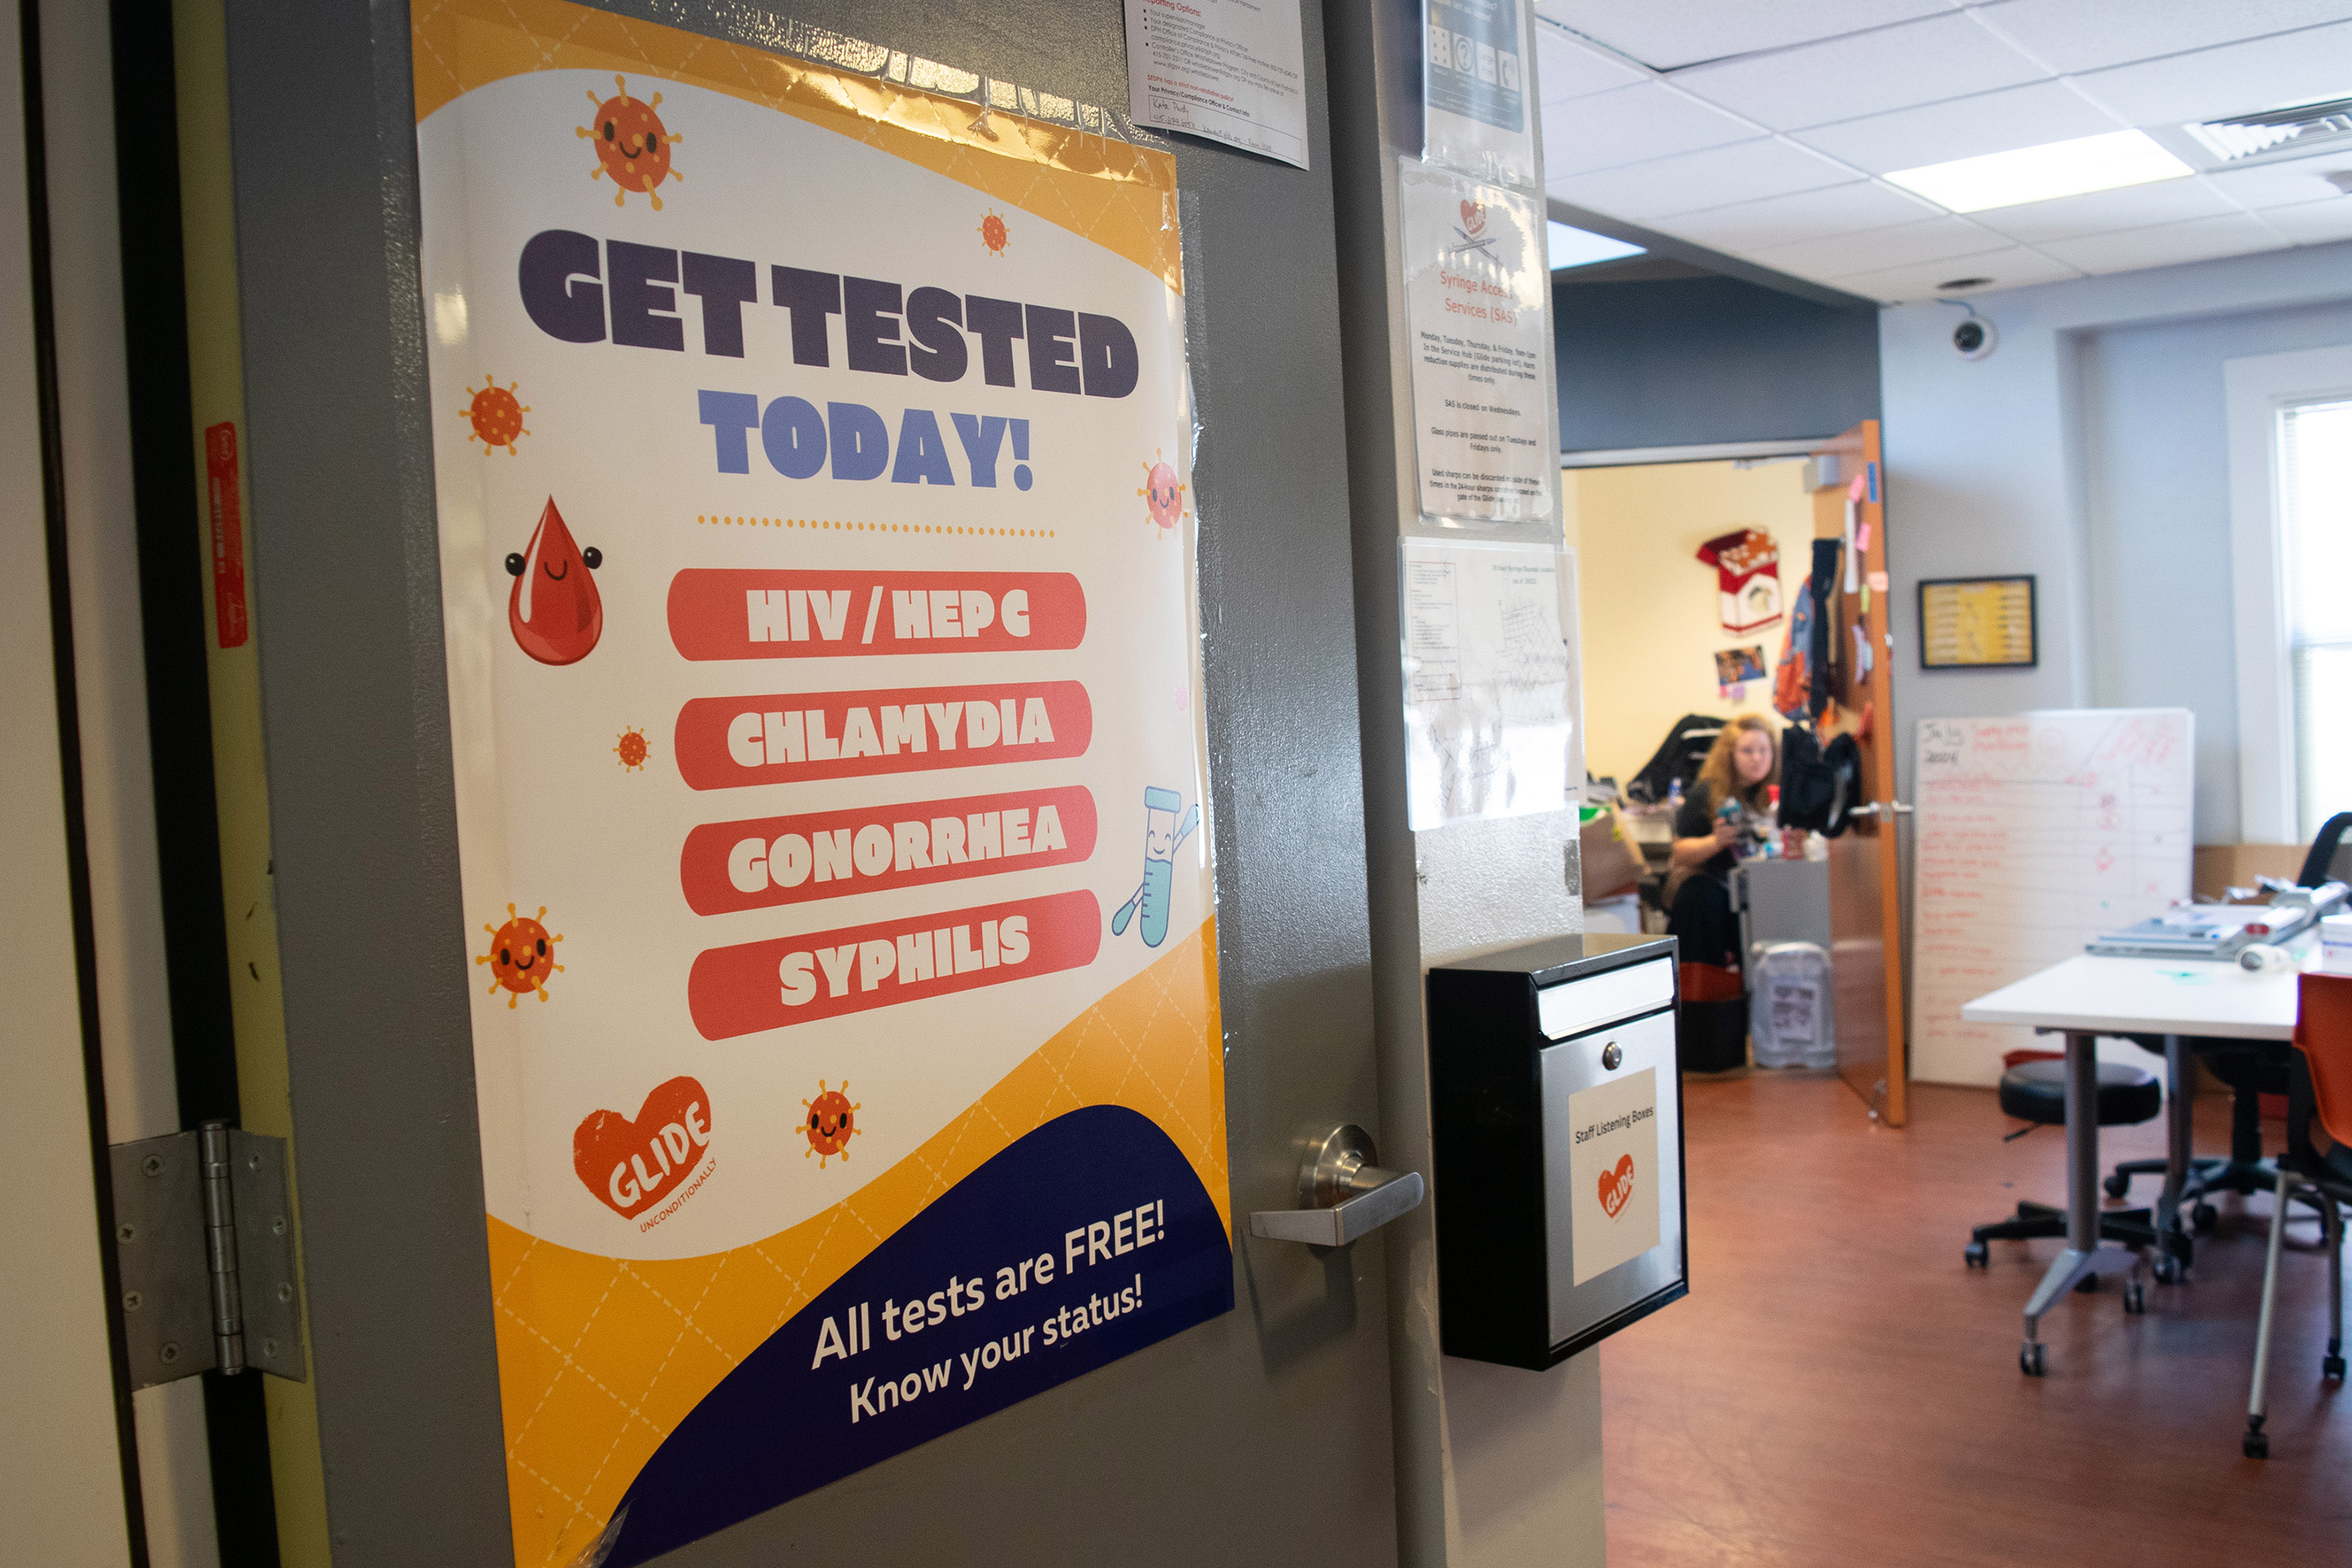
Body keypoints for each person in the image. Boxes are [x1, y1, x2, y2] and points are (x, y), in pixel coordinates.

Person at [1665, 715, 1804, 971]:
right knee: (1701, 898)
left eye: (1764, 751)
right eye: (1747, 751)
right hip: (1717, 894)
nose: (1757, 758)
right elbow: (1679, 853)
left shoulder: (1778, 793)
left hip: (1767, 889)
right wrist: (1715, 842)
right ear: (1731, 755)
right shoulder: (1706, 794)